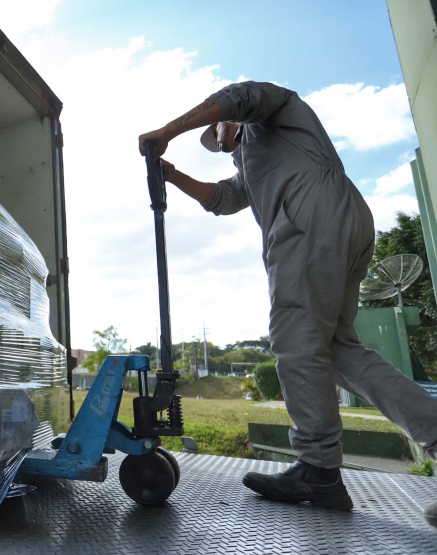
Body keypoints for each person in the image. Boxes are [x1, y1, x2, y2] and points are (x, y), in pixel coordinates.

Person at [138, 81, 437, 524]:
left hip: (312, 215)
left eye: (216, 135)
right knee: (338, 353)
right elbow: (224, 199)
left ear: (228, 123)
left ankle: (318, 468)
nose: (218, 144)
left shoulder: (274, 116)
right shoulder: (252, 162)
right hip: (338, 219)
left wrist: (167, 131)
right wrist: (171, 174)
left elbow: (240, 95)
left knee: (296, 340)